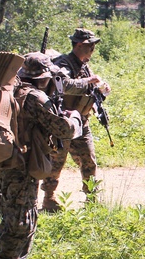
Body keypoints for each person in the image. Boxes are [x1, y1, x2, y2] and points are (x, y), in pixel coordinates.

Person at [0, 53, 83, 259]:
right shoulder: (35, 98)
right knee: (22, 217)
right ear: (43, 78)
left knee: (10, 212)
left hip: (2, 161)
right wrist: (75, 119)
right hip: (21, 164)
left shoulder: (11, 90)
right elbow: (63, 130)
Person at [46, 28, 111, 209]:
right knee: (56, 161)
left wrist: (100, 89)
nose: (93, 50)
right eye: (90, 46)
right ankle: (48, 198)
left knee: (88, 160)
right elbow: (62, 84)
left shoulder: (84, 65)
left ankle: (91, 200)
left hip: (81, 121)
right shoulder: (64, 63)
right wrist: (88, 82)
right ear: (80, 45)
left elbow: (87, 88)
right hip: (63, 122)